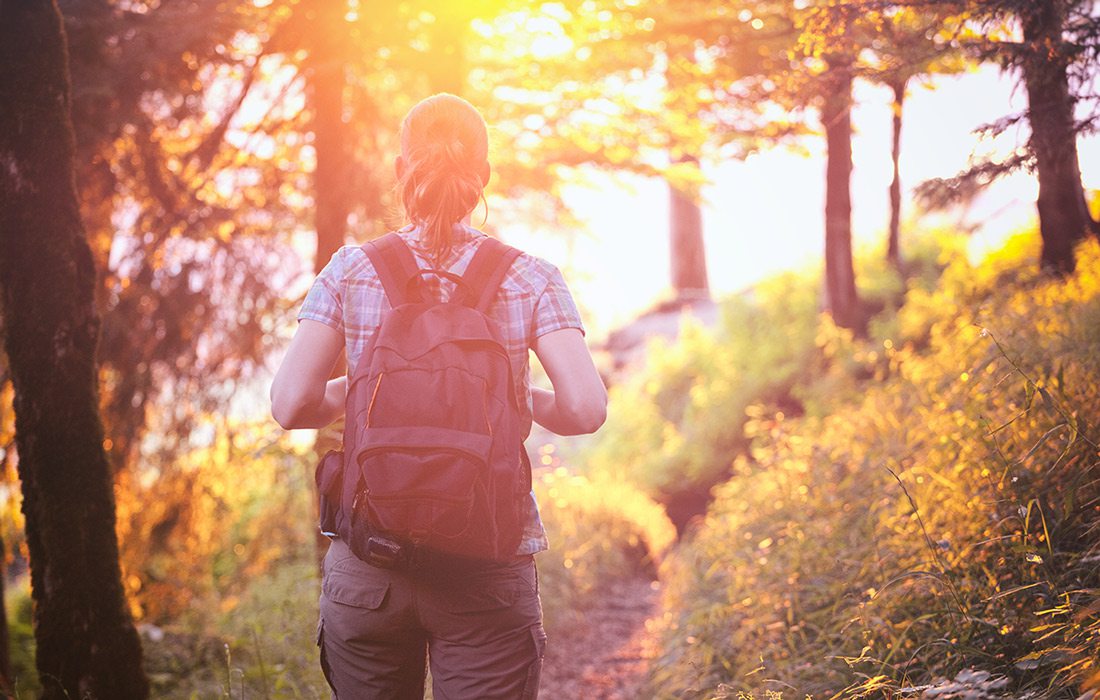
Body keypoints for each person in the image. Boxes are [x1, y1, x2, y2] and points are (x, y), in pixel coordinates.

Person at [269, 93, 607, 699]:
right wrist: (509, 395)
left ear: (401, 170)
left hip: (369, 570)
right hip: (486, 563)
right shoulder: (531, 277)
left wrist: (363, 388)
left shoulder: (350, 269)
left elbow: (291, 404)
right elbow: (584, 409)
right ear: (484, 177)